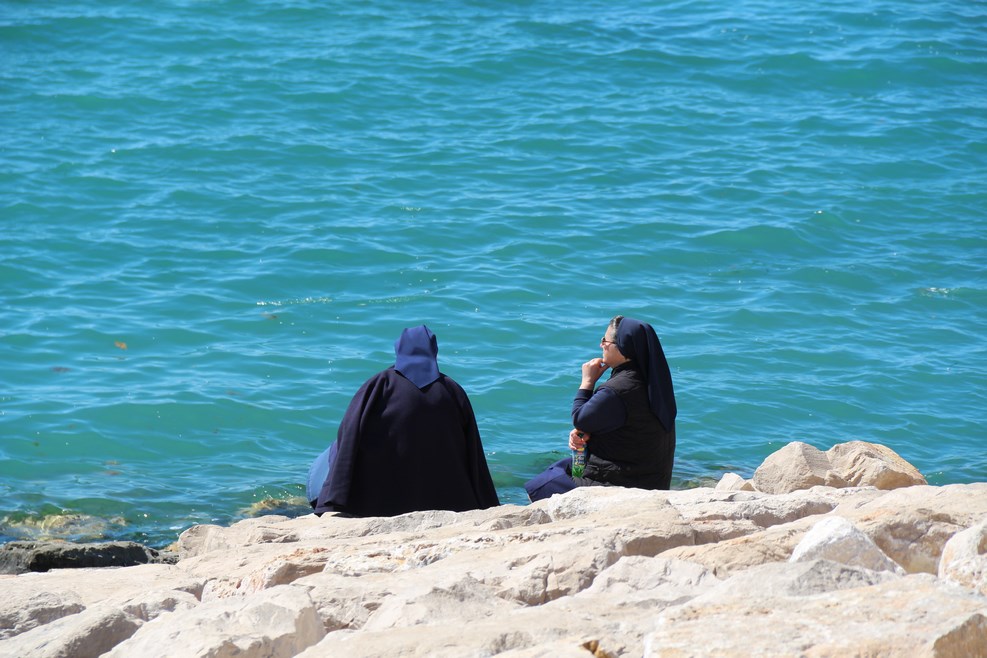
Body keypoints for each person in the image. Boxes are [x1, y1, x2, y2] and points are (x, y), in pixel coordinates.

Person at [307, 324, 500, 517]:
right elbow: (473, 450)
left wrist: (333, 495)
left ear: (398, 348)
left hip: (377, 499)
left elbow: (349, 434)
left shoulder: (379, 384)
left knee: (336, 448)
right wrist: (487, 501)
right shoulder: (452, 390)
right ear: (434, 351)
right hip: (447, 500)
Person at [524, 315, 677, 501]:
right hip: (652, 481)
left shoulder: (618, 389)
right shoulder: (653, 383)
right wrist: (586, 432)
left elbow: (580, 418)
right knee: (562, 465)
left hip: (622, 486)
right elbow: (632, 426)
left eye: (605, 341)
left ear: (623, 347)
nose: (601, 345)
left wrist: (587, 382)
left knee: (542, 485)